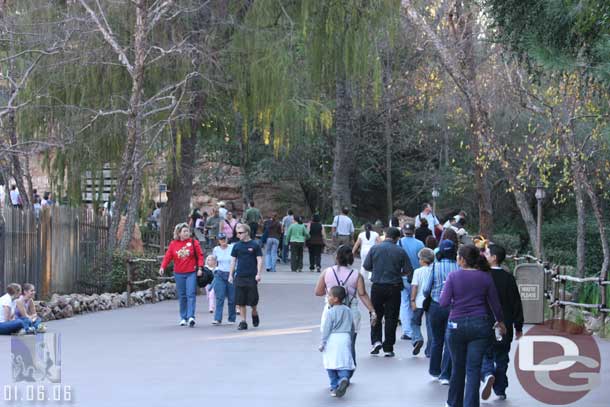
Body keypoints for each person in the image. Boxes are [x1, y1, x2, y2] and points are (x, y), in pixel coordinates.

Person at [441, 244, 506, 407]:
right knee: (474, 370)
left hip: (457, 325)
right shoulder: (485, 277)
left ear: (462, 260)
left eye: (457, 256)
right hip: (480, 325)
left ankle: (453, 402)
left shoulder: (453, 276)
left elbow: (443, 302)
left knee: (458, 367)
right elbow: (495, 304)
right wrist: (501, 322)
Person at [315, 245, 376, 368]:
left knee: (330, 342)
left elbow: (318, 292)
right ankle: (348, 371)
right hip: (350, 312)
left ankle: (334, 370)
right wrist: (372, 311)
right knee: (350, 344)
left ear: (336, 257)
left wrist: (331, 291)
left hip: (330, 311)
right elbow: (362, 294)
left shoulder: (327, 272)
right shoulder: (356, 274)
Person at [480, 244, 524, 401]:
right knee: (502, 356)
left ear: (494, 258)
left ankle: (487, 373)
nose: (483, 254)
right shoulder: (508, 278)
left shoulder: (482, 276)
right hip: (506, 324)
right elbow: (516, 303)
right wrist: (518, 326)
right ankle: (500, 389)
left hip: (485, 322)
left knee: (486, 352)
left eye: (486, 252)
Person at [363, 227, 413, 357]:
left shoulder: (375, 248)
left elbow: (366, 266)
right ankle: (388, 347)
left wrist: (377, 269)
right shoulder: (400, 251)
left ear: (385, 236)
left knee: (375, 313)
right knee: (391, 317)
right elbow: (408, 269)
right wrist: (399, 273)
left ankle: (376, 341)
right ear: (397, 238)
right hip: (394, 286)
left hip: (377, 286)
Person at [425, 239, 458, 384]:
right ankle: (446, 374)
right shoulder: (459, 267)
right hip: (454, 307)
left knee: (436, 339)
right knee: (450, 340)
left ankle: (434, 371)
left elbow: (426, 289)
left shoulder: (435, 267)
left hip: (436, 306)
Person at [159, 223, 204, 327]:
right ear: (179, 233)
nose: (186, 233)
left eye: (187, 231)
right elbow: (168, 256)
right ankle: (183, 317)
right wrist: (162, 267)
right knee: (182, 296)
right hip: (179, 273)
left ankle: (191, 316)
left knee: (191, 294)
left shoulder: (194, 242)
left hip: (191, 272)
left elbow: (200, 256)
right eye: (184, 231)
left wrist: (200, 268)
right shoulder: (173, 244)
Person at [318, 286, 355, 398]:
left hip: (333, 338)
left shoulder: (331, 312)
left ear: (335, 299)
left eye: (329, 295)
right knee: (343, 361)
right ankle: (344, 378)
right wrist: (351, 338)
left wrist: (323, 342)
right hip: (345, 337)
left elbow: (327, 328)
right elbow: (352, 326)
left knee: (331, 363)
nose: (327, 297)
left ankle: (335, 386)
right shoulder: (348, 310)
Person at [229, 223, 263, 330]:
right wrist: (231, 274)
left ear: (247, 232)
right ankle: (243, 322)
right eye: (237, 233)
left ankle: (254, 312)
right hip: (239, 276)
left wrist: (258, 274)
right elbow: (233, 261)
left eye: (240, 233)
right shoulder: (236, 246)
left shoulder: (255, 245)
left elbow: (259, 260)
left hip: (251, 276)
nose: (238, 235)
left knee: (253, 300)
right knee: (240, 300)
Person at [397, 223, 424, 341]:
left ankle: (407, 331)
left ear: (403, 231)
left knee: (404, 303)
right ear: (414, 231)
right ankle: (414, 329)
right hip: (416, 276)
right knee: (416, 302)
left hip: (403, 276)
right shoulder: (420, 244)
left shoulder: (398, 243)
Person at [410, 248, 435, 355]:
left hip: (419, 302)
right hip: (430, 302)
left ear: (422, 260)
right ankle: (429, 350)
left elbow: (414, 287)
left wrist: (412, 300)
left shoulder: (417, 271)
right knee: (430, 326)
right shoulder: (434, 270)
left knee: (415, 322)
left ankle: (417, 338)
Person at [211, 234, 236, 325]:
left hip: (231, 274)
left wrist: (233, 272)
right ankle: (217, 318)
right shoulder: (216, 249)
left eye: (224, 239)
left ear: (227, 239)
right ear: (218, 241)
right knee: (220, 297)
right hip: (220, 274)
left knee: (232, 298)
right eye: (221, 239)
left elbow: (235, 259)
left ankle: (231, 318)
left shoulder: (232, 247)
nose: (223, 241)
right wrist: (214, 270)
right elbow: (214, 260)